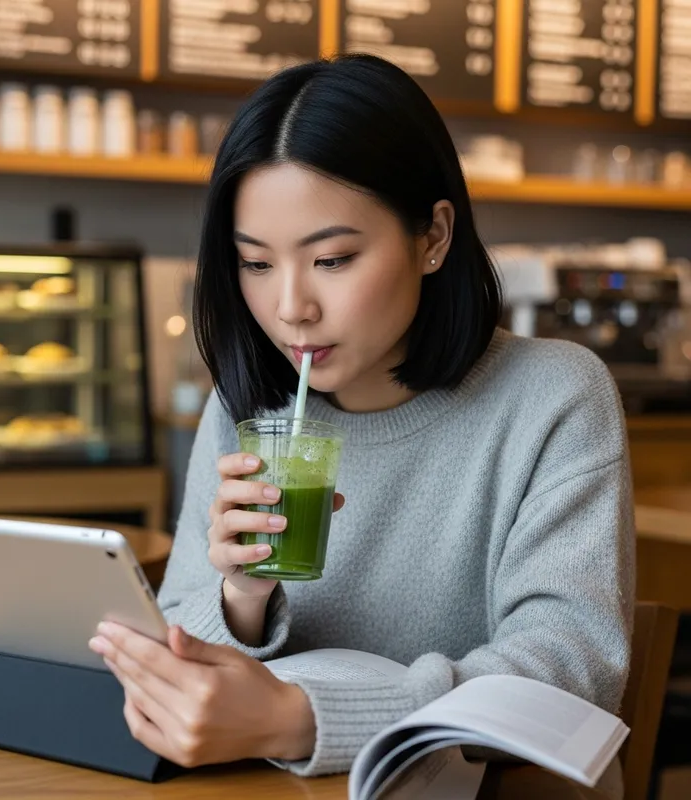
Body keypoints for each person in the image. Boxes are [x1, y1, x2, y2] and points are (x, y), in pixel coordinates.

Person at [88, 54, 634, 798]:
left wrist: (304, 717)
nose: (291, 307)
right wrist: (241, 599)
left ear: (433, 235)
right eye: (254, 263)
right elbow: (185, 643)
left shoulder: (551, 398)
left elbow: (569, 670)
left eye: (333, 258)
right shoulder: (249, 410)